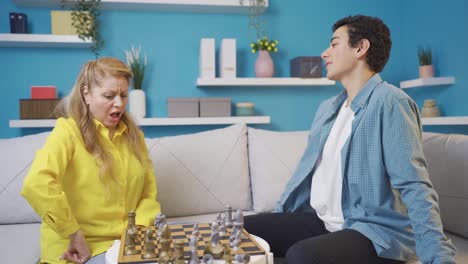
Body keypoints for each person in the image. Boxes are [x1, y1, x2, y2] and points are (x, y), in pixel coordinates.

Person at [244, 15, 456, 264]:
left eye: (334, 44)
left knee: (301, 256)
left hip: (375, 231)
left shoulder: (390, 102)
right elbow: (303, 176)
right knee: (238, 230)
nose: (324, 53)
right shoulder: (328, 109)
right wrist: (280, 217)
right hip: (322, 223)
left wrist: (439, 257)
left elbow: (414, 184)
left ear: (360, 48)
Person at [21, 57, 161, 264]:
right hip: (78, 249)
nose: (119, 103)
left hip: (125, 245)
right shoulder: (67, 132)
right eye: (109, 95)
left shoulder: (135, 137)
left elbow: (148, 194)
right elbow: (36, 184)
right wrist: (73, 233)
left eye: (123, 95)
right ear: (86, 94)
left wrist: (136, 232)